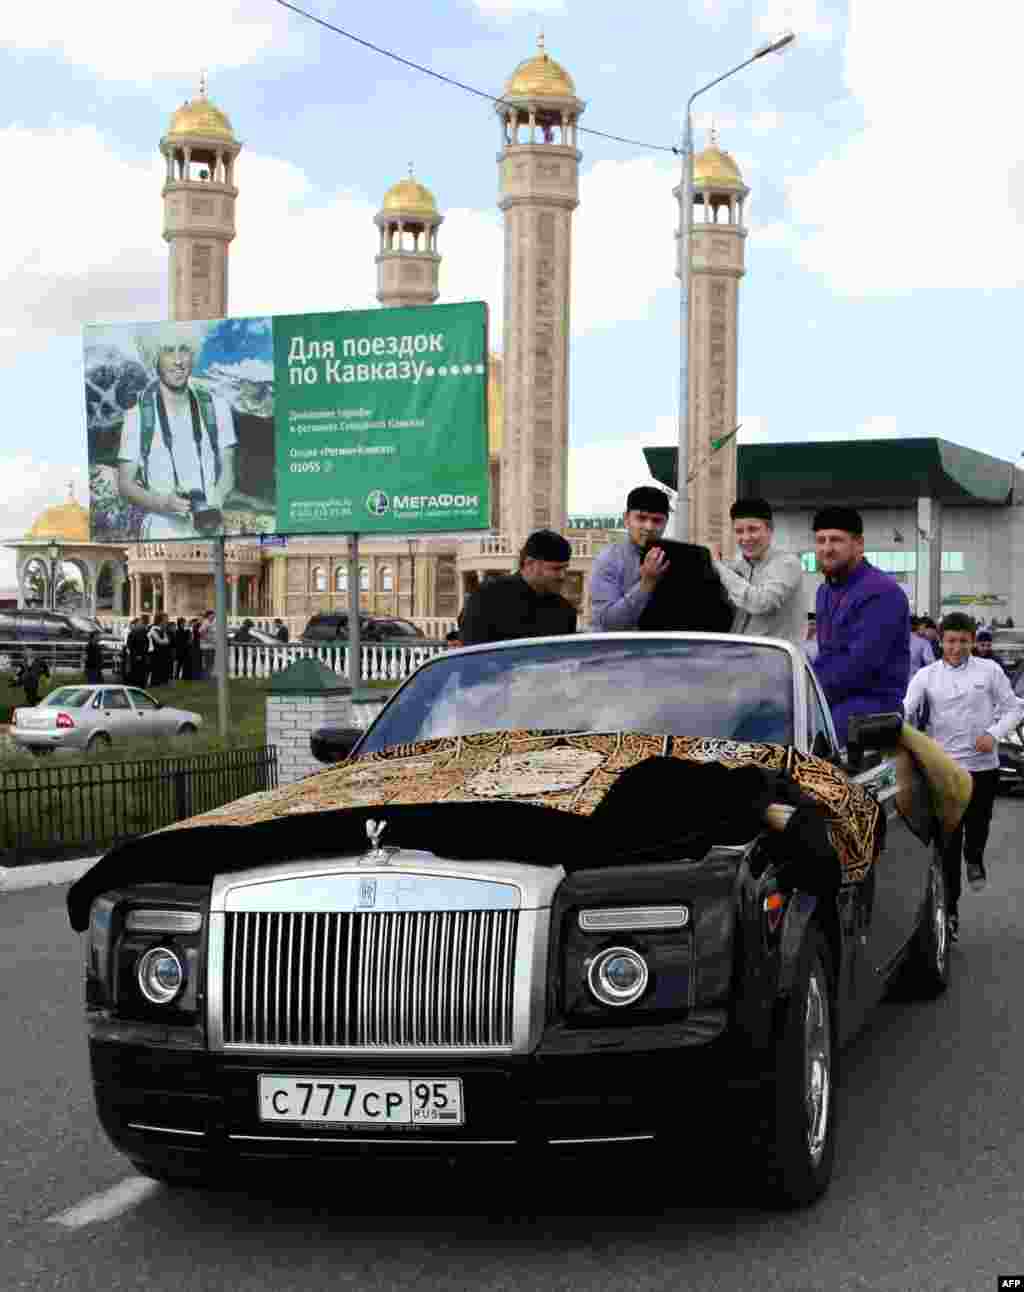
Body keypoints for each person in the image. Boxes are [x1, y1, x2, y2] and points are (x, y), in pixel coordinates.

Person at [904, 612, 1021, 941]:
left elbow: (1014, 708)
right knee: (947, 844)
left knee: (978, 825)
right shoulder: (927, 676)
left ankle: (976, 858)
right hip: (946, 770)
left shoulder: (990, 671)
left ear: (972, 641)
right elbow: (907, 709)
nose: (956, 648)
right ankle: (951, 911)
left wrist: (994, 733)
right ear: (940, 641)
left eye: (963, 641)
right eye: (950, 641)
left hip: (983, 766)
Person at [116, 325, 245, 540]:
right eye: (168, 351)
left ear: (193, 356)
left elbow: (228, 470)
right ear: (155, 358)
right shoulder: (137, 416)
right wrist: (163, 503)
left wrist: (215, 500)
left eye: (184, 350)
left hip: (211, 530)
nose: (178, 361)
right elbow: (125, 484)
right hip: (161, 534)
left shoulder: (217, 407)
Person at [812, 506, 910, 746]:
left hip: (873, 703)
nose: (827, 548)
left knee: (811, 738)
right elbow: (827, 657)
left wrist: (808, 691)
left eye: (836, 540)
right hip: (834, 697)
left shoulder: (881, 592)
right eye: (820, 540)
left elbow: (860, 666)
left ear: (859, 544)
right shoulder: (824, 591)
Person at [460, 530, 577, 646]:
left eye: (565, 568)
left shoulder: (564, 611)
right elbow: (473, 653)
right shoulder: (488, 598)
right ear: (530, 563)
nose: (562, 576)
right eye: (555, 569)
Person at [712, 498, 805, 644]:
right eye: (739, 531)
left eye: (753, 529)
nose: (746, 538)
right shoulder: (736, 565)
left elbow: (761, 603)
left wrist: (719, 567)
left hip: (777, 662)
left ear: (770, 529)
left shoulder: (787, 563)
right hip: (740, 658)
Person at [590, 486, 673, 630]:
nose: (648, 526)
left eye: (656, 520)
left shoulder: (674, 557)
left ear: (666, 522)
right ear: (626, 518)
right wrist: (646, 583)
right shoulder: (609, 559)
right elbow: (608, 623)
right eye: (641, 518)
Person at [147, 612, 172, 686]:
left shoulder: (163, 630)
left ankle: (163, 681)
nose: (167, 621)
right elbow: (160, 641)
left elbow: (167, 641)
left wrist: (165, 638)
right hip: (155, 653)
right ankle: (155, 682)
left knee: (163, 667)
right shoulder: (153, 629)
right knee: (156, 669)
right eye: (165, 619)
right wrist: (165, 640)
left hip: (162, 653)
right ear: (160, 620)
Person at [126, 614, 151, 686]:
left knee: (138, 672)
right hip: (138, 655)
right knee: (138, 672)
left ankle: (138, 684)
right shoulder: (139, 631)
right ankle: (138, 684)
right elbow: (131, 644)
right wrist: (138, 654)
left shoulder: (140, 630)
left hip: (139, 655)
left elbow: (130, 644)